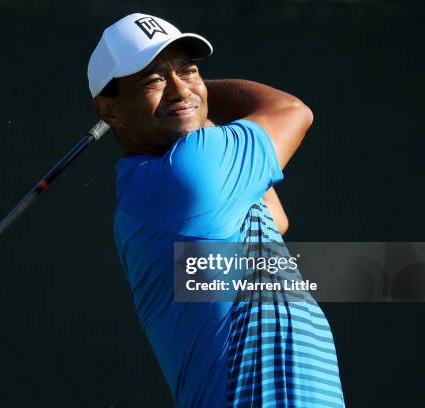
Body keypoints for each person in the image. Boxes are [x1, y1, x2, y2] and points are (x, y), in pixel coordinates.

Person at [88, 13, 345, 407]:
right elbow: (293, 110)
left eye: (188, 70)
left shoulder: (163, 184)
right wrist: (197, 95)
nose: (178, 87)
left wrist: (189, 99)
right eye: (153, 80)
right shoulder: (189, 171)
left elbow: (275, 218)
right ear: (110, 111)